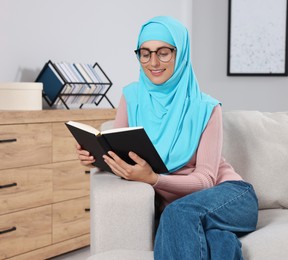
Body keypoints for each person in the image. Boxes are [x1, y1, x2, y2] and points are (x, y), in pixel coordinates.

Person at [76, 15, 258, 260]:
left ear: (180, 53)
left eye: (163, 52)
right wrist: (96, 154)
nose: (153, 62)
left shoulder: (206, 107)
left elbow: (205, 180)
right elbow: (118, 152)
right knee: (219, 242)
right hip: (183, 211)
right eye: (145, 53)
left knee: (176, 214)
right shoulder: (132, 97)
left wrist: (153, 179)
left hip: (230, 197)